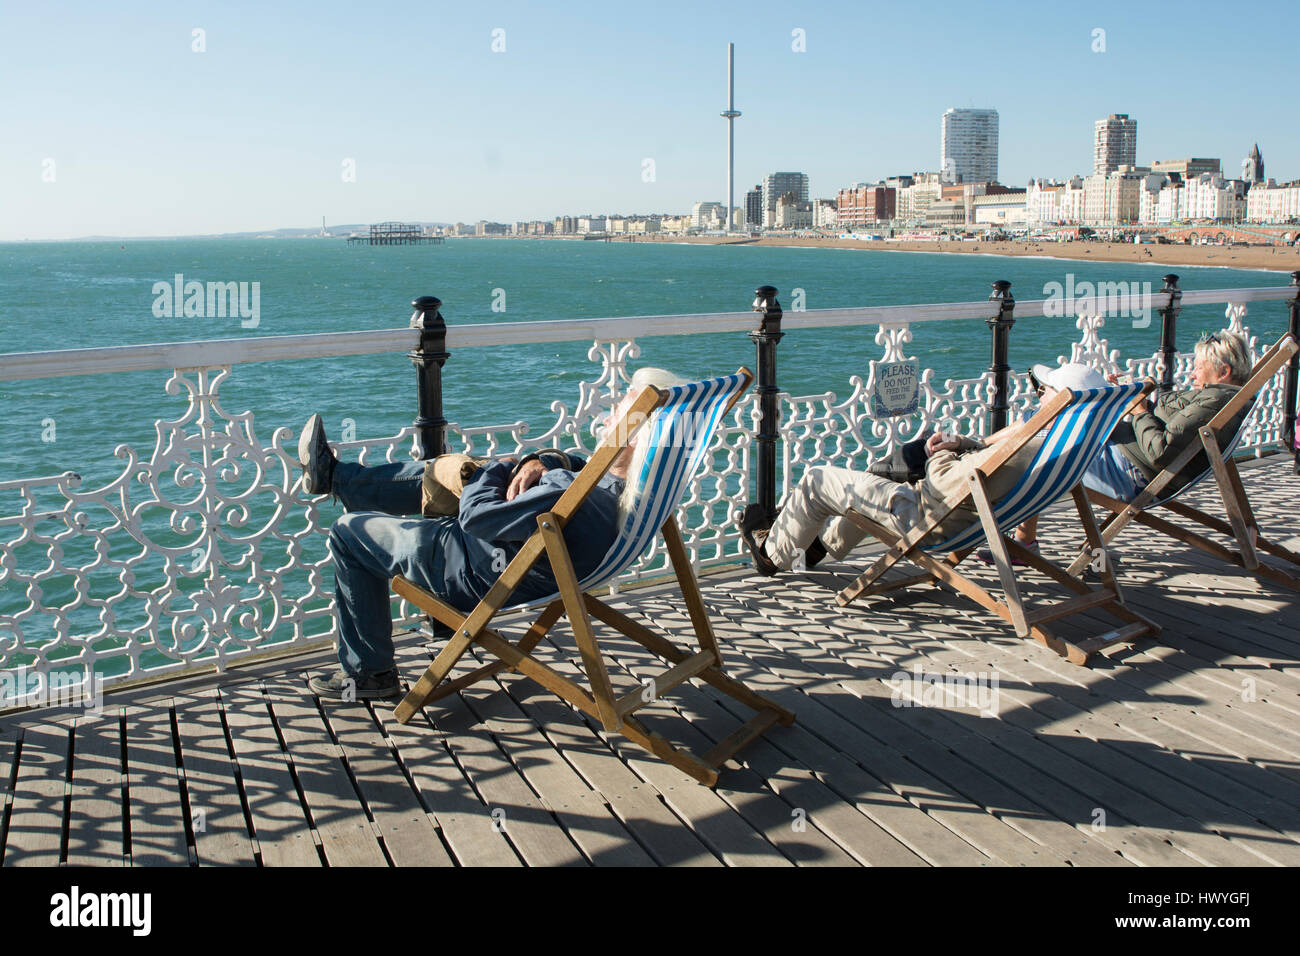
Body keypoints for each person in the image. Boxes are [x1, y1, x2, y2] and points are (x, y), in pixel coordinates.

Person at [299, 367, 686, 699]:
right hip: (521, 557)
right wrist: (541, 461)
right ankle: (338, 478)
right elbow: (578, 465)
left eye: (616, 413)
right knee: (450, 474)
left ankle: (368, 673)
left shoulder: (574, 493)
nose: (605, 418)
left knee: (350, 532)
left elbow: (478, 519)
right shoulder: (632, 489)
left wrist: (499, 469)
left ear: (635, 437)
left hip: (470, 569)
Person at [994, 330, 1252, 563]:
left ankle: (981, 456)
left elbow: (1160, 452)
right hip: (1130, 458)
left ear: (1224, 371)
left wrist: (1139, 411)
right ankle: (1022, 537)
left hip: (1131, 474)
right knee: (1056, 424)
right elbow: (1173, 430)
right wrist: (1136, 402)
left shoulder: (1213, 402)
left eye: (1198, 367)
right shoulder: (1225, 399)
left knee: (1045, 443)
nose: (1192, 374)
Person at [739, 417, 1043, 576]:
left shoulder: (1026, 445)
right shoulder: (1052, 446)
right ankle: (814, 549)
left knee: (816, 479)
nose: (1037, 393)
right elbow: (988, 464)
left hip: (927, 518)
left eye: (1040, 388)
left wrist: (938, 454)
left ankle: (771, 556)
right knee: (876, 478)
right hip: (962, 518)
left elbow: (945, 484)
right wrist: (963, 442)